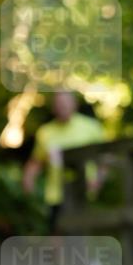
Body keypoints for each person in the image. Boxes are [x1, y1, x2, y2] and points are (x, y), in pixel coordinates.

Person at [22, 90, 108, 235]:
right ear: (53, 107)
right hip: (56, 194)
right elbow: (36, 161)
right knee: (57, 232)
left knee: (83, 233)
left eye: (65, 103)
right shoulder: (45, 132)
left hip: (84, 192)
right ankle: (60, 258)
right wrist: (28, 180)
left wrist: (98, 181)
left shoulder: (91, 128)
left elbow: (104, 160)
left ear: (74, 104)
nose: (62, 107)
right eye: (59, 104)